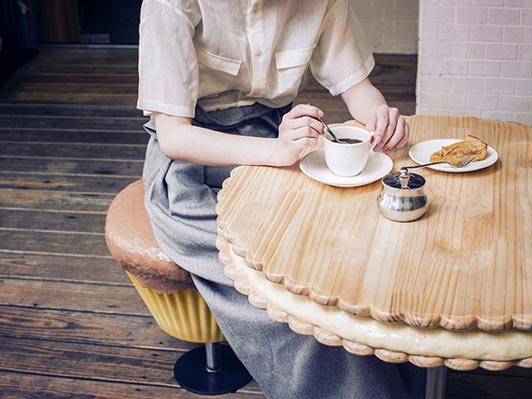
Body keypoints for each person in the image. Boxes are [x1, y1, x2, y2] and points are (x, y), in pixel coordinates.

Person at [137, 0, 424, 397]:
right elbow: (174, 137)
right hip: (195, 168)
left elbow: (357, 87)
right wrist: (277, 152)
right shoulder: (172, 4)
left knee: (348, 258)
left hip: (283, 142)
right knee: (284, 295)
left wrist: (381, 119)